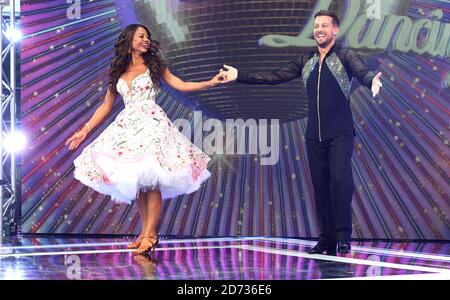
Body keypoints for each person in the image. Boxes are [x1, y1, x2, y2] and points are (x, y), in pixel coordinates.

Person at [220, 10, 382, 255]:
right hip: (313, 134)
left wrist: (372, 81)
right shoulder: (305, 60)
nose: (319, 30)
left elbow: (362, 71)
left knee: (340, 181)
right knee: (320, 186)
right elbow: (274, 77)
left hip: (340, 132)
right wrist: (239, 75)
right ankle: (326, 238)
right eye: (316, 26)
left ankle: (342, 237)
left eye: (324, 26)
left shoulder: (345, 55)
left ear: (335, 30)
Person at [66, 24, 224, 255]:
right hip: (128, 127)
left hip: (152, 124)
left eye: (148, 37)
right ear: (129, 40)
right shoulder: (117, 71)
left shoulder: (153, 65)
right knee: (140, 184)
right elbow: (106, 106)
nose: (146, 40)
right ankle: (144, 233)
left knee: (152, 180)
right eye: (141, 36)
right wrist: (84, 130)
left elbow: (180, 84)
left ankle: (151, 234)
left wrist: (210, 82)